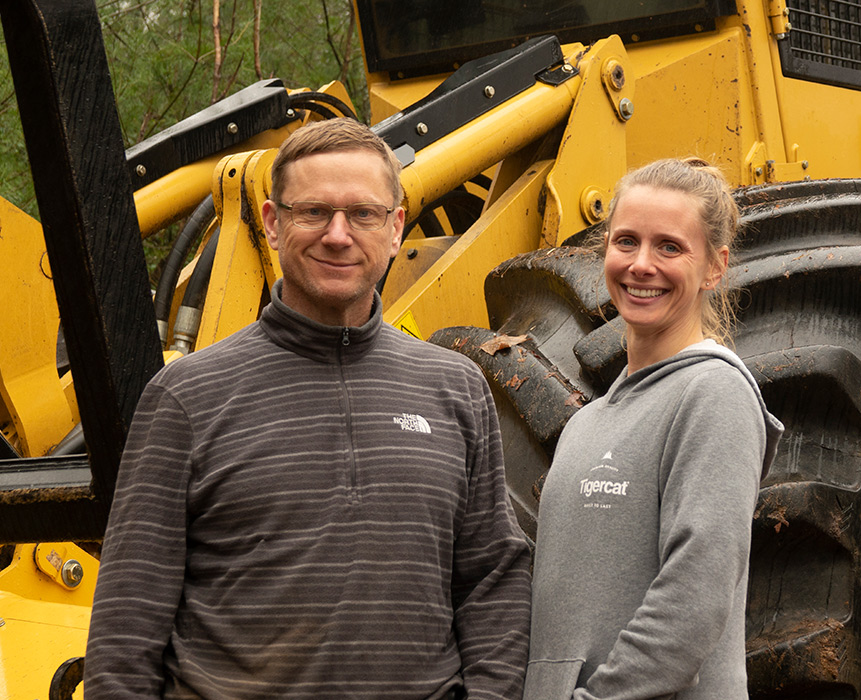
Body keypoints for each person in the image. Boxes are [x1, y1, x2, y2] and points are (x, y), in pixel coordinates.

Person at [84, 118, 532, 700]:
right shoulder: (187, 397)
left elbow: (492, 579)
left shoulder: (455, 388)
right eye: (314, 212)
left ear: (396, 229)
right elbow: (129, 622)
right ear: (273, 223)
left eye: (363, 214)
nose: (338, 235)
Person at [522, 158, 784, 699]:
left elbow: (695, 591)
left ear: (714, 268)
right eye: (626, 242)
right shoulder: (587, 423)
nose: (642, 264)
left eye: (669, 247)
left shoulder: (714, 394)